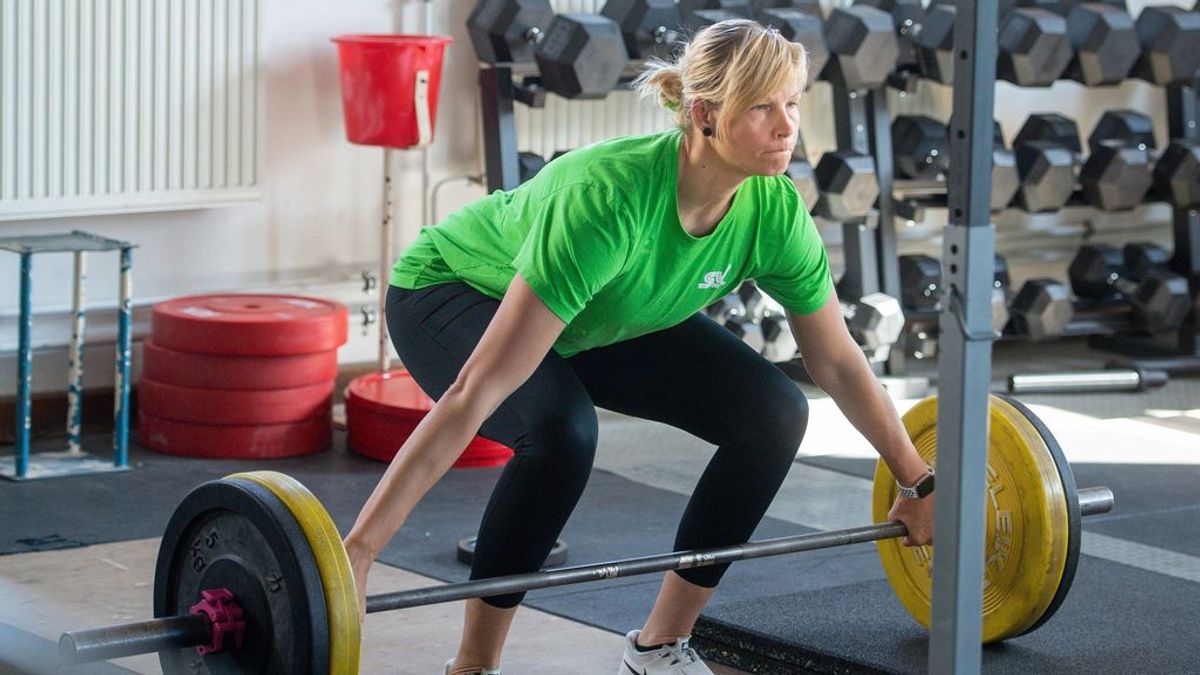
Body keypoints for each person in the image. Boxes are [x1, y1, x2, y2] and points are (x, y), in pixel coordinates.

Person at [343, 19, 935, 675]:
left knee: (774, 413)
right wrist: (362, 548)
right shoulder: (608, 199)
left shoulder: (774, 211)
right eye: (763, 106)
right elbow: (474, 391)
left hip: (599, 314)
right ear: (706, 114)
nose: (786, 125)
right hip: (452, 290)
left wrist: (918, 478)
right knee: (562, 433)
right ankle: (475, 665)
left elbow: (838, 361)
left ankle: (660, 644)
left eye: (793, 102)